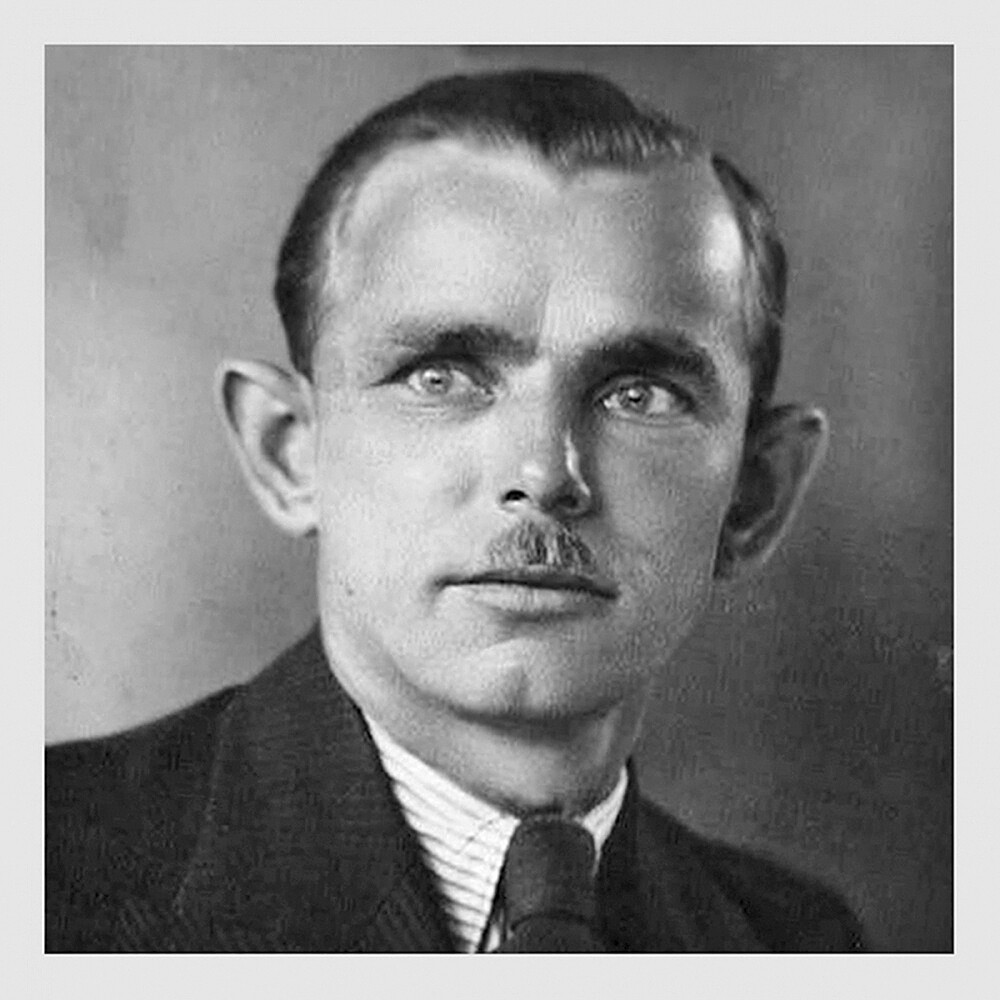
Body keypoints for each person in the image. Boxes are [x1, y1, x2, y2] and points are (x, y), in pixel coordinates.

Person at [46, 68, 866, 953]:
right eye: (440, 376)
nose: (543, 474)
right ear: (288, 450)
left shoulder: (800, 944)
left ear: (756, 494)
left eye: (639, 394)